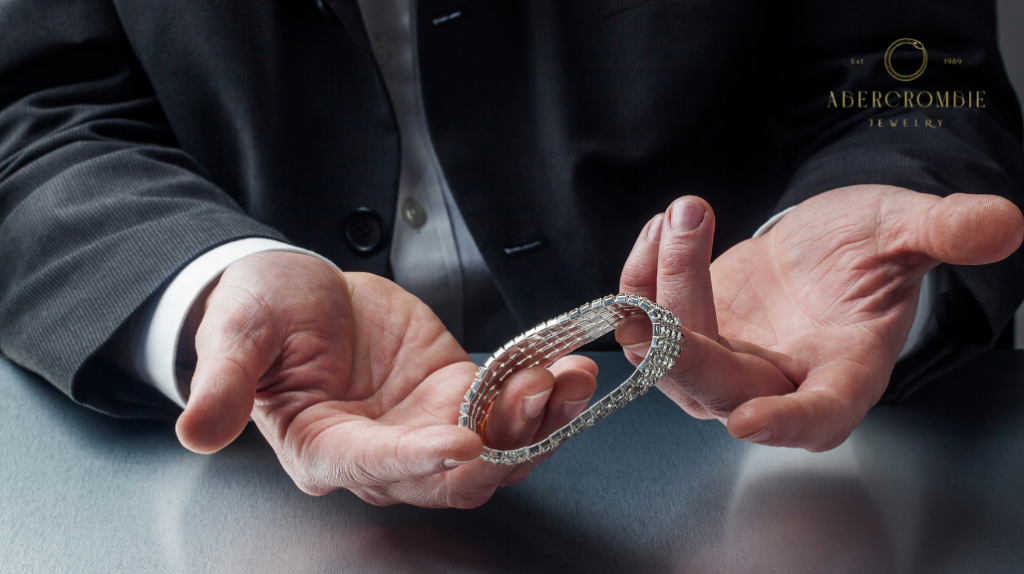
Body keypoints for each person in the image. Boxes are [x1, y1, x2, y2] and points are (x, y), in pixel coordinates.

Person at [0, 0, 1021, 508]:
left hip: (772, 475)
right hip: (213, 495)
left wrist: (858, 212)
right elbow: (33, 108)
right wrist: (208, 284)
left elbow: (909, 68)